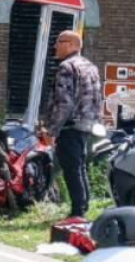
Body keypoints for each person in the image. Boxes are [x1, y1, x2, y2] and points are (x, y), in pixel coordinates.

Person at [38, 29, 102, 219]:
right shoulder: (91, 67)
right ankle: (83, 206)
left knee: (71, 168)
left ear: (72, 45)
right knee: (79, 165)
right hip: (87, 124)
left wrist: (51, 129)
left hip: (70, 125)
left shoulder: (66, 67)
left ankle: (77, 212)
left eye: (60, 41)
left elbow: (64, 103)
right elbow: (97, 99)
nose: (55, 45)